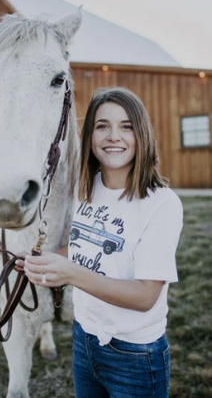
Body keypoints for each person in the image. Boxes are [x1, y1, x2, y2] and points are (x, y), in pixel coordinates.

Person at [23, 87, 183, 398]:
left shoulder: (162, 204)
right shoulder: (86, 188)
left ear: (143, 134)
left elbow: (145, 296)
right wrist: (44, 260)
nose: (113, 136)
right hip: (84, 340)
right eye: (102, 126)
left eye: (126, 126)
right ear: (90, 136)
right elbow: (84, 247)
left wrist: (70, 274)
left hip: (135, 354)